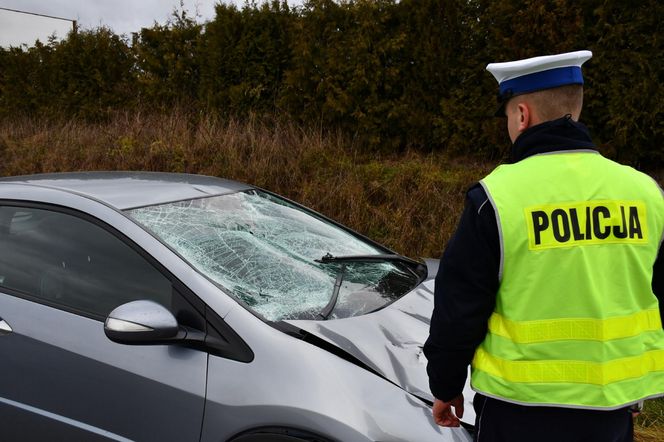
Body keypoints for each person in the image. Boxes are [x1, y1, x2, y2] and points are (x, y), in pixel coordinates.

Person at [423, 50, 664, 441]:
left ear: (522, 114)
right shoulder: (646, 194)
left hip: (517, 414)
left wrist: (445, 386)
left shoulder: (496, 198)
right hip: (612, 412)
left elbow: (459, 308)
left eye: (506, 118)